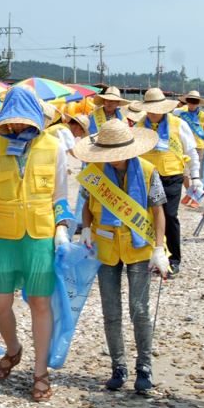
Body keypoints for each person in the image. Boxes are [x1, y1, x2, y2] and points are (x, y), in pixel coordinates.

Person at [0, 87, 74, 402]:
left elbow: (60, 195)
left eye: (23, 122)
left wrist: (61, 228)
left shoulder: (54, 147)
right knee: (1, 306)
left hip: (40, 235)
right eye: (11, 123)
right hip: (1, 236)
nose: (17, 128)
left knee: (40, 304)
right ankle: (13, 348)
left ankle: (40, 372)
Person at [72, 119, 168, 392]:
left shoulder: (149, 171)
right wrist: (87, 228)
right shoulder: (93, 172)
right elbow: (87, 204)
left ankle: (144, 368)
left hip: (139, 247)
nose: (113, 160)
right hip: (105, 247)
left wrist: (159, 248)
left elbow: (159, 212)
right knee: (111, 311)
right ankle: (118, 366)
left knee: (140, 310)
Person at [125, 88, 203, 276]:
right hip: (146, 177)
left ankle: (173, 258)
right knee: (145, 216)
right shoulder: (138, 126)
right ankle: (149, 255)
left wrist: (195, 177)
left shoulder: (178, 124)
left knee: (169, 215)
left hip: (171, 177)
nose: (152, 113)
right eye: (149, 108)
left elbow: (192, 152)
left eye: (156, 108)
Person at [176, 90, 204, 170]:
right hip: (184, 145)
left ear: (198, 103)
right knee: (184, 170)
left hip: (199, 146)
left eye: (194, 103)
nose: (191, 105)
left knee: (198, 170)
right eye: (189, 103)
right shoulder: (182, 114)